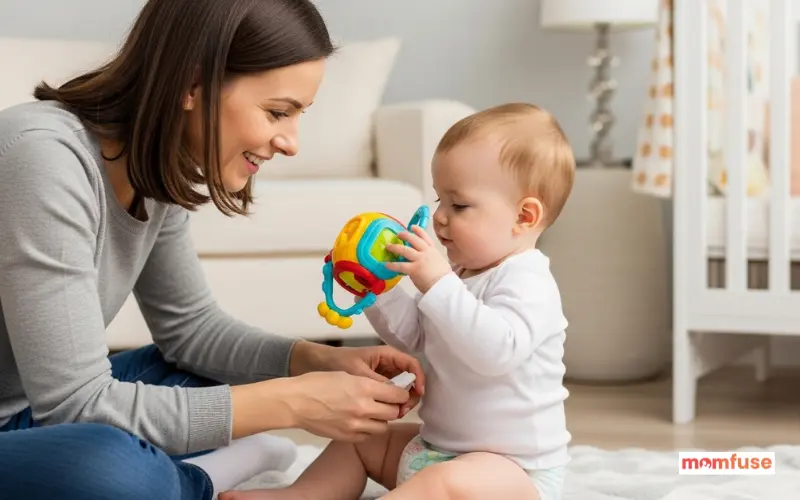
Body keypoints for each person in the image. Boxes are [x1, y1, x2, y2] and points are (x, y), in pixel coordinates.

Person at [0, 1, 426, 499]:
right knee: (113, 471)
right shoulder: (43, 157)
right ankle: (206, 480)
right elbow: (76, 405)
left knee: (206, 376)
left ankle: (190, 471)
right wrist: (293, 402)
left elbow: (191, 331)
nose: (291, 142)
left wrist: (314, 363)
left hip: (33, 412)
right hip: (45, 418)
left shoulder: (153, 164)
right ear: (191, 84)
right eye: (277, 112)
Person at [220, 102, 576, 500]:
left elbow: (495, 352)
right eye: (440, 200)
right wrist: (376, 288)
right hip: (435, 449)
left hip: (512, 472)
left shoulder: (527, 279)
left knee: (441, 484)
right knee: (356, 441)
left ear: (524, 217)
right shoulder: (460, 276)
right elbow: (414, 336)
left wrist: (436, 281)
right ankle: (300, 495)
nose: (440, 217)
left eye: (458, 205)